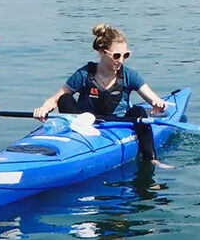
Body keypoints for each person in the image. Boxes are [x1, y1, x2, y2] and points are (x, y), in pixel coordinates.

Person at [33, 23, 172, 167]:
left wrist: (158, 104)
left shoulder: (129, 75)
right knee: (65, 99)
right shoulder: (84, 74)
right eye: (116, 56)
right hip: (84, 123)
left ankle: (151, 159)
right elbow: (56, 98)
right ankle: (74, 138)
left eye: (126, 55)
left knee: (139, 112)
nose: (121, 61)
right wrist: (44, 108)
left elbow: (152, 98)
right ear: (102, 52)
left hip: (117, 123)